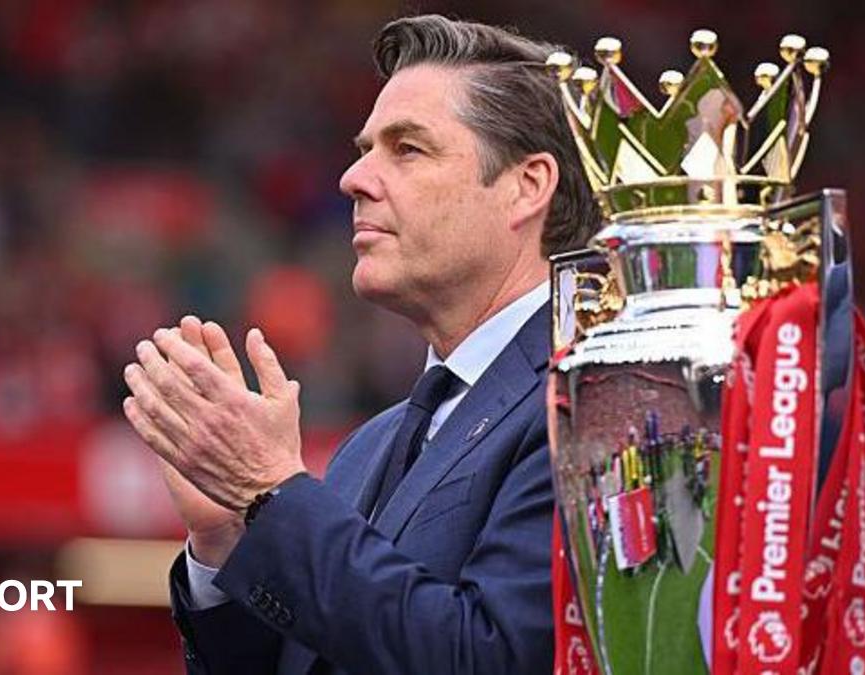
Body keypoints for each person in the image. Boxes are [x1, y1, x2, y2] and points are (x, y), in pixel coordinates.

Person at [121, 14, 599, 674]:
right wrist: (226, 539)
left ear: (527, 185)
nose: (354, 177)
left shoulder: (588, 407)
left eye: (408, 149)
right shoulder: (365, 449)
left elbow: (488, 657)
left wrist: (269, 490)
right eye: (366, 147)